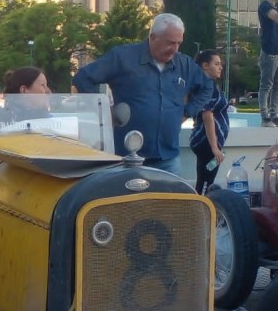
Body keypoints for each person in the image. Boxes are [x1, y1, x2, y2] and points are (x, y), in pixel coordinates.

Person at [73, 13, 213, 173]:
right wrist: (104, 111)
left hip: (168, 158)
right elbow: (83, 79)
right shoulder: (123, 57)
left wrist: (188, 112)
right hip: (126, 159)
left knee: (170, 199)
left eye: (179, 43)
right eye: (170, 43)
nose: (175, 49)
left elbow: (207, 87)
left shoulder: (184, 64)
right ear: (153, 37)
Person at [189, 49, 229, 194]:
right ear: (205, 65)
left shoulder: (207, 85)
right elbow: (207, 116)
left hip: (206, 143)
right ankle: (202, 213)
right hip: (206, 143)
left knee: (203, 182)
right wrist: (214, 147)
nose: (221, 67)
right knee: (205, 184)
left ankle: (201, 211)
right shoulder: (207, 87)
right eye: (216, 64)